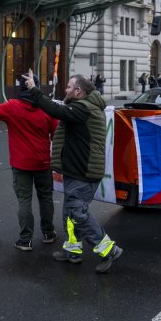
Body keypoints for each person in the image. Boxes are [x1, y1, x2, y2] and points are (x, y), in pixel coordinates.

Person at [23, 70, 123, 274]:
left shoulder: (84, 108)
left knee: (78, 212)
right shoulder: (81, 107)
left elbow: (55, 110)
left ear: (78, 90)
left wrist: (34, 90)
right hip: (76, 170)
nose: (65, 90)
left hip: (83, 172)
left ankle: (109, 250)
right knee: (70, 214)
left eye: (69, 87)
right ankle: (72, 251)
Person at [0, 74, 58, 252]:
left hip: (21, 163)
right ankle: (48, 233)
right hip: (43, 162)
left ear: (21, 88)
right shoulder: (46, 108)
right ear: (37, 87)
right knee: (45, 198)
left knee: (24, 201)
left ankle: (26, 240)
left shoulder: (13, 107)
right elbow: (56, 133)